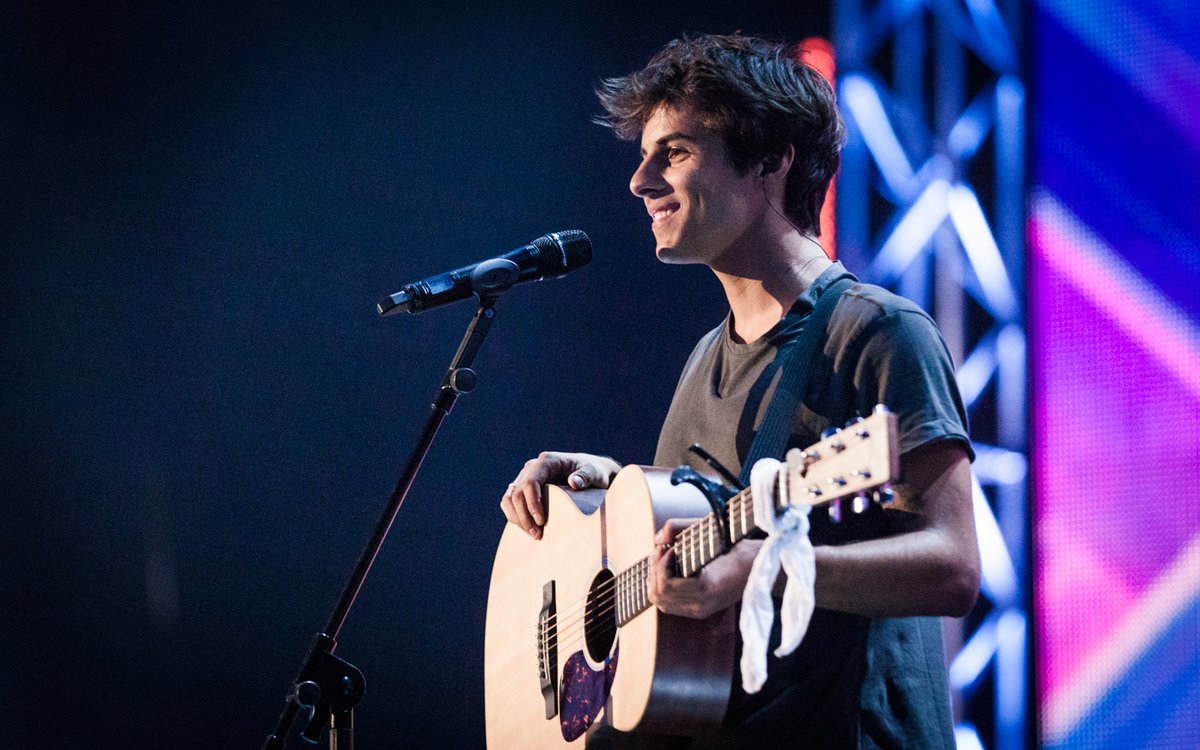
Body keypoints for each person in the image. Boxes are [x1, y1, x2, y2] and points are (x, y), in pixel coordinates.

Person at [499, 33, 979, 749]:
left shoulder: (878, 333)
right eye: (645, 155)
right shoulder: (704, 358)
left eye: (675, 152)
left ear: (770, 161)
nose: (639, 182)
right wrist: (602, 498)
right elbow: (688, 555)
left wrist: (768, 567)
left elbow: (954, 567)